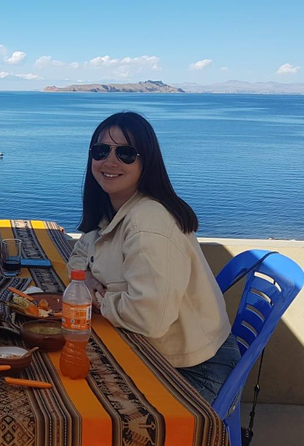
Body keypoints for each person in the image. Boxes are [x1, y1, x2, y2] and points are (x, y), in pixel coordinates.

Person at [67, 111, 239, 404]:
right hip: (152, 351)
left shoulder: (148, 223)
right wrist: (92, 282)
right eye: (101, 151)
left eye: (125, 153)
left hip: (193, 369)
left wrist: (95, 298)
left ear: (146, 161)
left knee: (85, 408)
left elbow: (149, 319)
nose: (110, 161)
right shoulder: (114, 209)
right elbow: (78, 258)